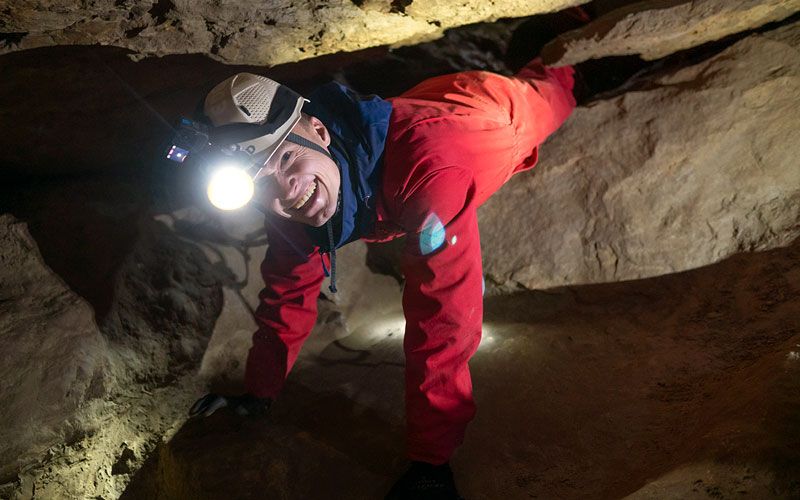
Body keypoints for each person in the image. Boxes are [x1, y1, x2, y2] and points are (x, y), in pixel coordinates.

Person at [189, 57, 576, 499]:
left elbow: (444, 319)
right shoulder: (295, 199)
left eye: (288, 158)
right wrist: (258, 393)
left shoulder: (429, 167)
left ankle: (569, 63)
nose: (286, 191)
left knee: (554, 92)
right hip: (430, 96)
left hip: (497, 112)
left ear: (318, 131)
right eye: (261, 185)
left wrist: (431, 463)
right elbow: (286, 289)